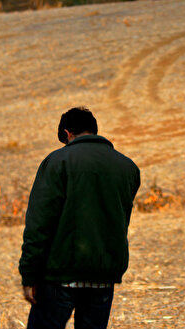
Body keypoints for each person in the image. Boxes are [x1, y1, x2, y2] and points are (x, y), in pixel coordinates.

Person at [19, 107, 141, 329]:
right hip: (103, 276)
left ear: (67, 134)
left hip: (60, 275)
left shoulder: (57, 162)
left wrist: (29, 275)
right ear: (94, 131)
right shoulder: (127, 167)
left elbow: (39, 224)